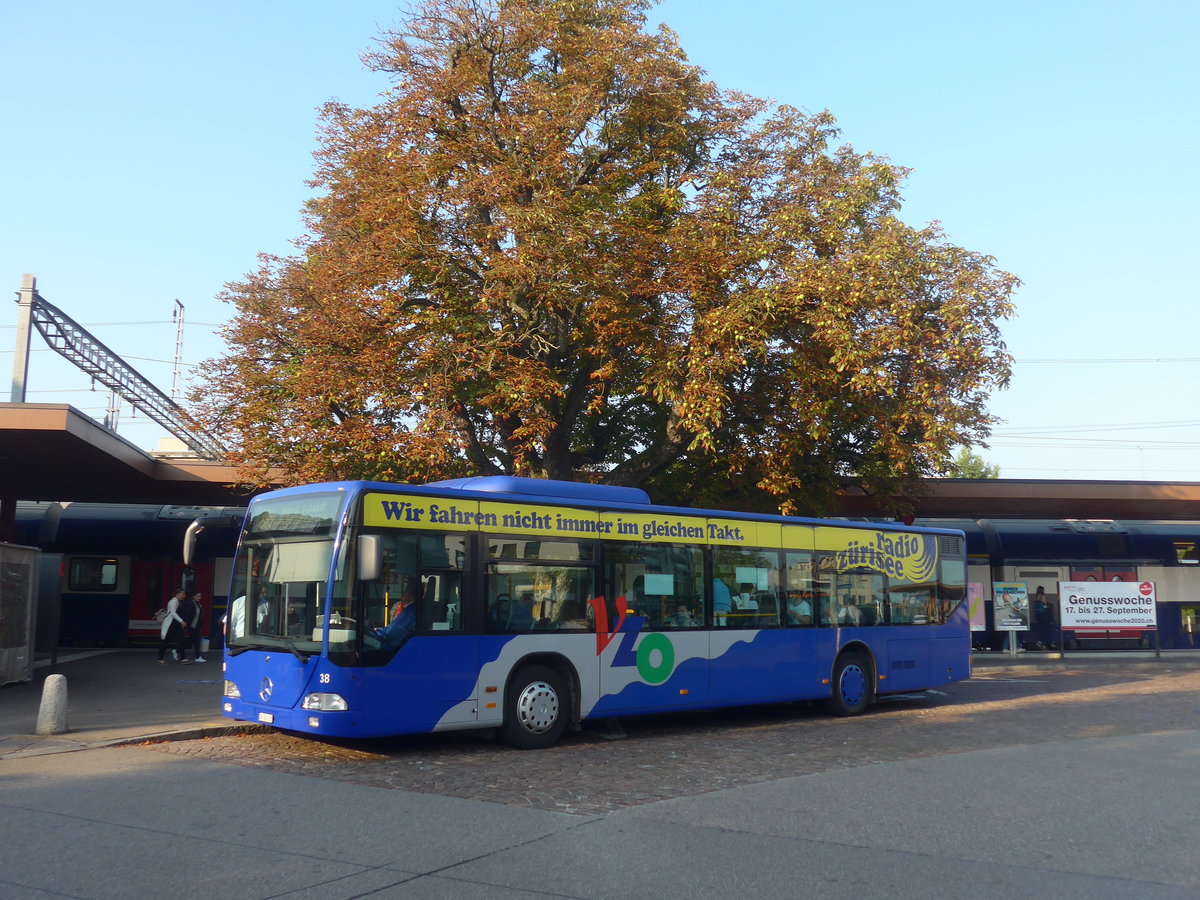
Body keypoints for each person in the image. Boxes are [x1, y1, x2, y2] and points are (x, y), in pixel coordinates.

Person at [371, 582, 419, 650]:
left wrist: (377, 631)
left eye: (405, 590)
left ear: (407, 593)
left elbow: (391, 633)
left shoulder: (411, 611)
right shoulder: (414, 608)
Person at [157, 588, 190, 664]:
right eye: (183, 594)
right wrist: (181, 621)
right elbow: (173, 613)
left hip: (175, 624)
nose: (184, 596)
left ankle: (183, 658)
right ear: (177, 594)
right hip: (171, 624)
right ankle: (160, 658)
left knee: (180, 640)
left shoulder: (177, 601)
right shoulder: (174, 601)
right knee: (165, 641)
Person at [185, 591, 207, 663]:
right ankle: (197, 657)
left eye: (200, 596)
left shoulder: (198, 604)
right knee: (197, 641)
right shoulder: (191, 604)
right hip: (192, 626)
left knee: (192, 641)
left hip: (196, 625)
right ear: (193, 596)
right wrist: (187, 625)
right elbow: (189, 615)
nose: (199, 598)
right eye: (197, 596)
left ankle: (177, 650)